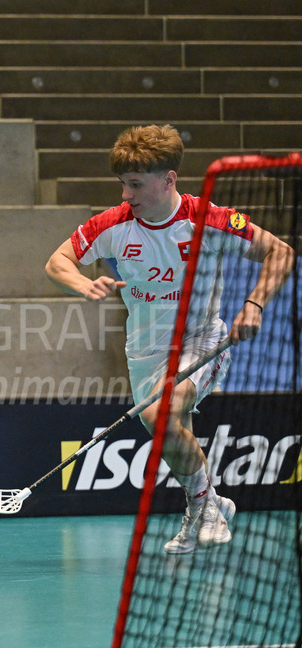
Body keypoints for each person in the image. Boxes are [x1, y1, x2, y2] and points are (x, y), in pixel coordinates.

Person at [45, 124, 294, 554]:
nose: (126, 195)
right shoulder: (114, 225)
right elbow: (58, 261)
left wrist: (253, 305)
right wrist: (82, 285)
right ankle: (205, 506)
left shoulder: (210, 221)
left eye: (136, 184)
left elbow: (281, 251)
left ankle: (208, 509)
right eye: (123, 184)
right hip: (144, 351)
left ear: (169, 179)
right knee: (174, 433)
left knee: (160, 416)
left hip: (201, 341)